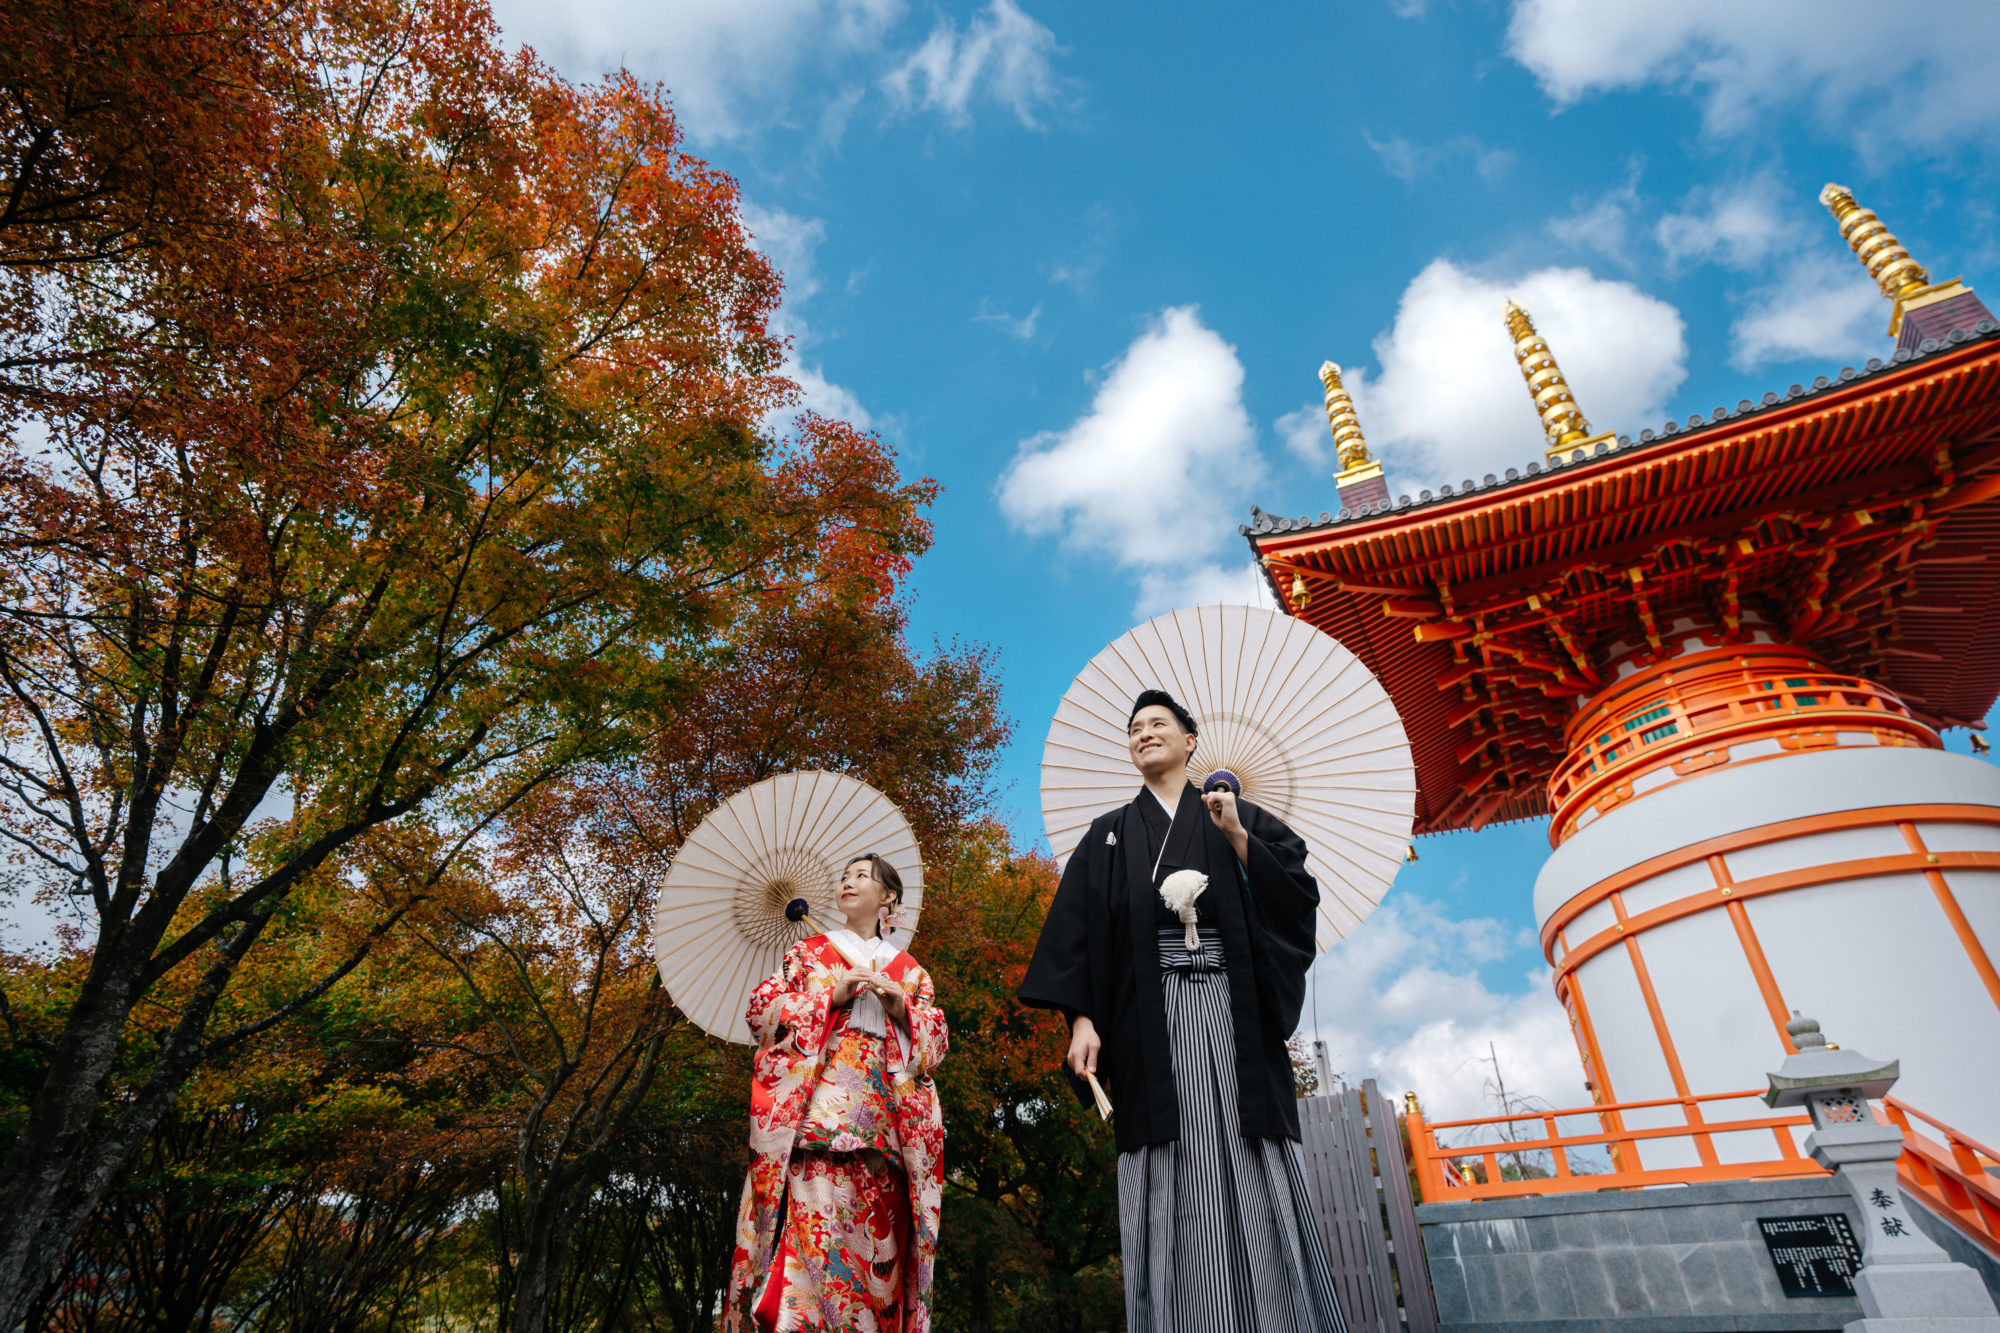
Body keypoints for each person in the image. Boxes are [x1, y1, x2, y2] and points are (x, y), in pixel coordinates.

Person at [1019, 689, 1346, 1333]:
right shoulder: (1108, 835)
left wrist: (1237, 836)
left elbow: (1296, 899)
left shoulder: (1234, 813)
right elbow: (1077, 934)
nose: (1144, 734)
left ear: (1191, 740)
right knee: (1168, 1162)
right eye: (1135, 728)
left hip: (1233, 1015)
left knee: (1249, 1152)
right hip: (1149, 1024)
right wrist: (1082, 1020)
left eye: (1158, 725)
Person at [724, 854, 948, 1333]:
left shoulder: (909, 972)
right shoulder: (808, 954)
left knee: (877, 1264)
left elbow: (935, 1045)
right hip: (816, 1128)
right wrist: (830, 996)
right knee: (813, 1255)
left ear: (888, 896)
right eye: (845, 877)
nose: (848, 882)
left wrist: (902, 1007)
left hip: (886, 1136)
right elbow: (762, 1011)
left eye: (861, 876)